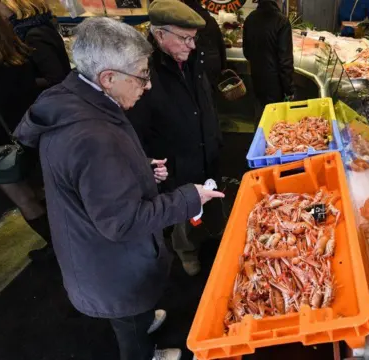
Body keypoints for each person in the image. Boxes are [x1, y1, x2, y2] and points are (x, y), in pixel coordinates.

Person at [13, 17, 224, 360]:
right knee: (128, 328)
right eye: (142, 74)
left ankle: (141, 322)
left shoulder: (75, 99)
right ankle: (144, 353)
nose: (148, 85)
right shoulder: (92, 136)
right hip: (107, 267)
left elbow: (91, 181)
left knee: (131, 316)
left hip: (94, 254)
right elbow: (122, 222)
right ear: (108, 78)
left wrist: (140, 171)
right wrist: (189, 197)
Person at [126, 0, 223, 277]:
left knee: (213, 200)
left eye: (193, 39)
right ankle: (187, 252)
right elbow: (136, 127)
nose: (191, 46)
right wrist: (149, 163)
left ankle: (214, 237)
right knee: (184, 212)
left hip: (206, 147)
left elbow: (206, 99)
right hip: (175, 159)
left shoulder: (192, 58)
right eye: (185, 39)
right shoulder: (143, 71)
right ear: (159, 35)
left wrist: (215, 136)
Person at [0, 0, 53, 260]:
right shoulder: (13, 47)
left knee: (26, 201)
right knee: (51, 191)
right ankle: (74, 241)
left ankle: (59, 251)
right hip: (32, 132)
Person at [0, 0, 71, 89]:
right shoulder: (36, 24)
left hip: (48, 97)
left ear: (9, 4)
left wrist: (22, 82)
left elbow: (55, 79)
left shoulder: (33, 35)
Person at [243, 0, 294, 128]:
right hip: (275, 85)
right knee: (275, 126)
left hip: (256, 79)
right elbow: (285, 61)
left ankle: (257, 146)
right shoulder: (282, 21)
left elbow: (246, 52)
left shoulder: (250, 19)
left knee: (260, 118)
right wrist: (289, 89)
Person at [182, 0, 227, 88]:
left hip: (195, 65)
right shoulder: (210, 19)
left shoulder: (185, 19)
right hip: (213, 62)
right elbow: (220, 44)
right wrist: (223, 65)